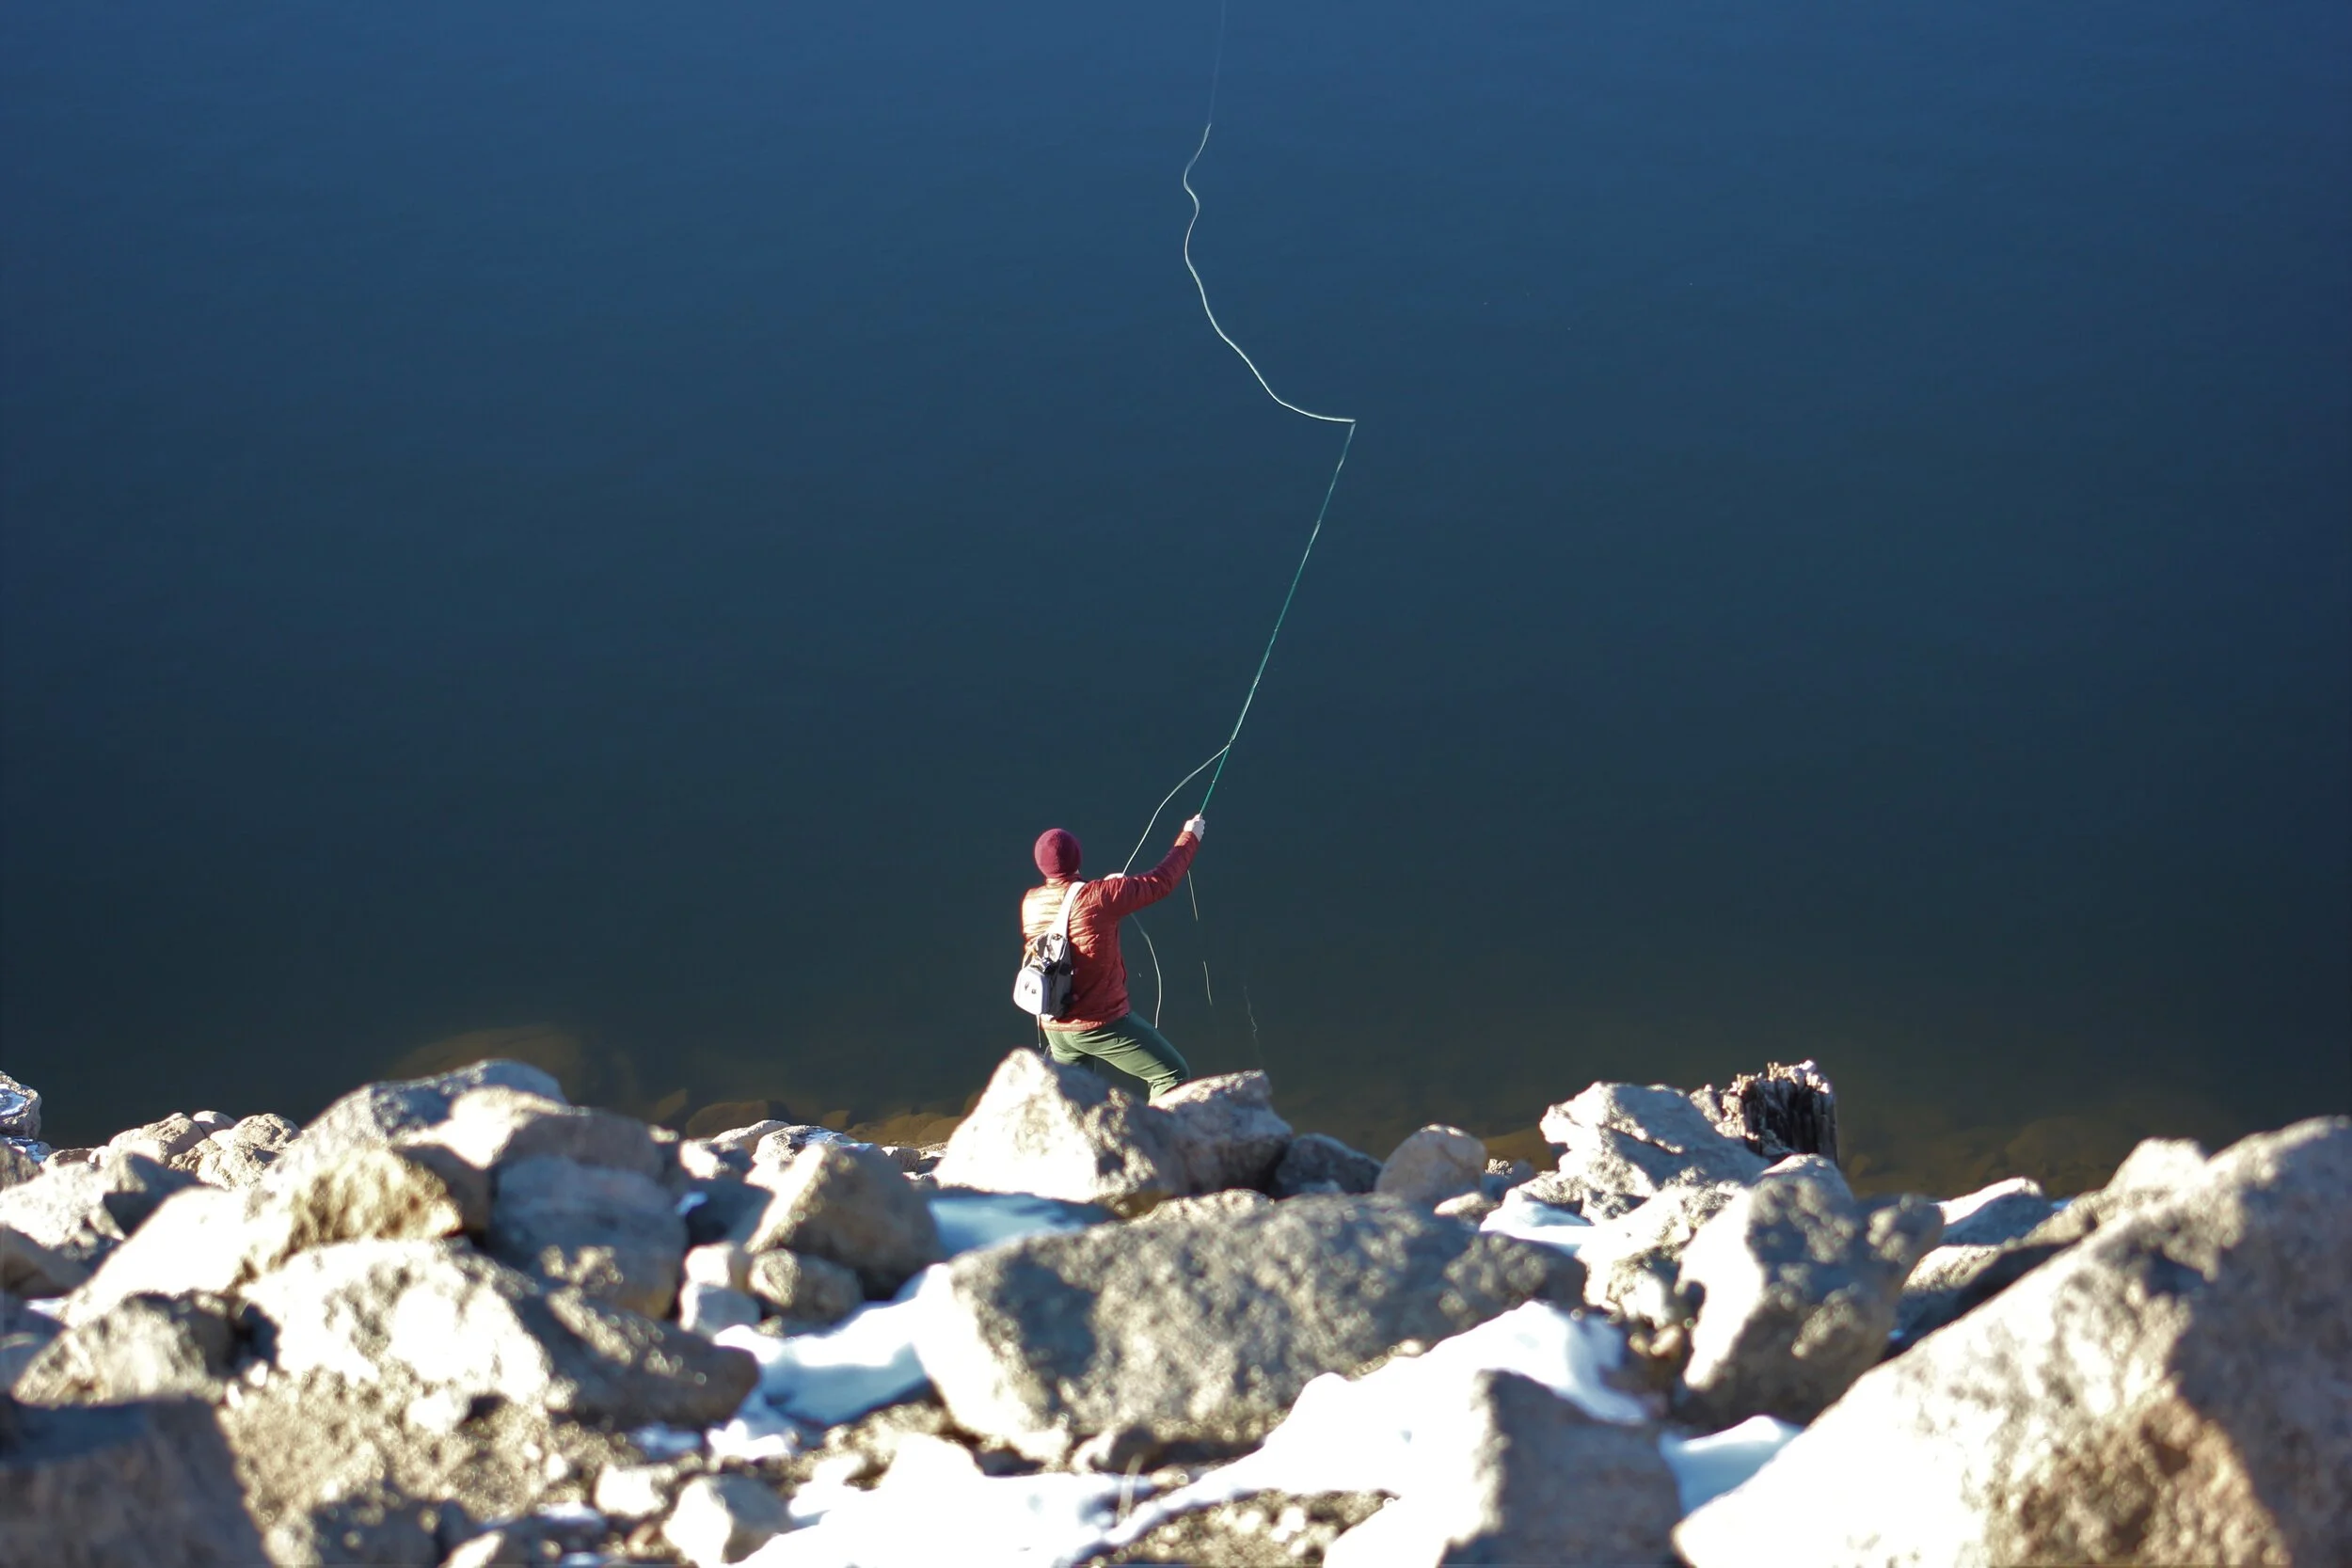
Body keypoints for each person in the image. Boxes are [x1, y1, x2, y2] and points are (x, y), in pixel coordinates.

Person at [1020, 816, 1205, 1101]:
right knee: (1171, 1073)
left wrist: (1105, 890)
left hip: (1054, 1024)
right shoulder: (1103, 895)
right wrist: (1190, 837)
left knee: (1075, 1098)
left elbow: (1072, 913)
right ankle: (1157, 1142)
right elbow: (1161, 881)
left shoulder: (1031, 902)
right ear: (1077, 857)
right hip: (1099, 1024)